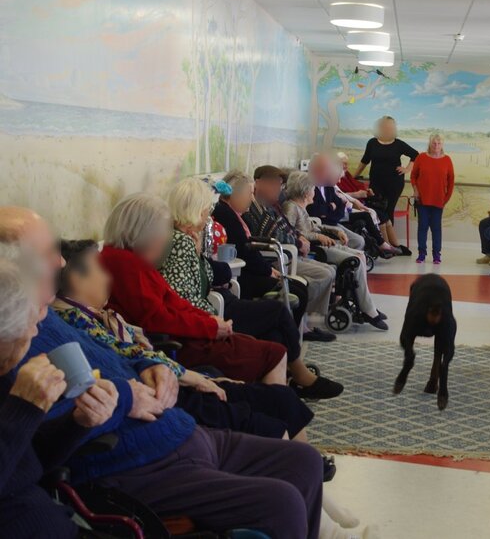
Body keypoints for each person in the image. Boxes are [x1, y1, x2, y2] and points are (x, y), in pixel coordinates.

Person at [1, 205, 324, 539]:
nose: (61, 262)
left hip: (177, 430)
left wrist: (150, 364)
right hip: (134, 462)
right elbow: (45, 435)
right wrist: (126, 398)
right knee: (282, 503)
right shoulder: (17, 335)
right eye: (47, 252)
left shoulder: (50, 314)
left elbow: (114, 351)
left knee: (305, 461)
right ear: (11, 267)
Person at [53, 239, 318, 439]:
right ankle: (304, 476)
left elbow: (173, 308)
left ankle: (312, 480)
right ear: (76, 277)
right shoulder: (77, 322)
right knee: (272, 408)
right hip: (166, 394)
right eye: (99, 269)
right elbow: (136, 353)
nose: (108, 276)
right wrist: (199, 376)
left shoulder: (97, 315)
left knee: (278, 390)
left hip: (173, 375)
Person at [162, 178, 343, 398]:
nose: (209, 215)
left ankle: (281, 388)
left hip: (216, 302)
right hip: (211, 313)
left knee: (275, 332)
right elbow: (185, 296)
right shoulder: (182, 242)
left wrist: (202, 254)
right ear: (195, 210)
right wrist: (213, 319)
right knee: (276, 310)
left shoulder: (187, 238)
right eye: (206, 210)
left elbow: (210, 275)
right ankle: (299, 375)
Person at [100, 194, 290, 386]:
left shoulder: (130, 260)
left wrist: (209, 321)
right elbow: (157, 318)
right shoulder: (126, 264)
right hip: (176, 345)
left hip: (185, 334)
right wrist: (210, 326)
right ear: (145, 235)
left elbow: (173, 300)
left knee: (271, 339)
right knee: (275, 352)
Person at [0, 243, 119, 538]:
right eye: (30, 321)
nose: (35, 332)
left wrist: (77, 422)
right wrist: (24, 409)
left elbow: (27, 462)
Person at [283, 172, 388, 331]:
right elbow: (290, 233)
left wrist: (334, 231)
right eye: (313, 189)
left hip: (322, 242)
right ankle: (368, 308)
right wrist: (317, 235)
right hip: (315, 247)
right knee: (355, 260)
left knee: (360, 255)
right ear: (305, 192)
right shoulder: (291, 207)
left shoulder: (300, 207)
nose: (315, 192)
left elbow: (314, 226)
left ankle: (366, 304)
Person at [247, 165, 337, 340]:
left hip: (288, 252)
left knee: (330, 271)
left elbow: (285, 229)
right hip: (276, 258)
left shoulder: (269, 207)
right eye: (275, 184)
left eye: (280, 184)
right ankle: (303, 324)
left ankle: (306, 321)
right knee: (323, 275)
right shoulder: (256, 209)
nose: (279, 189)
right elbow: (272, 235)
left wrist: (298, 239)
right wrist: (298, 241)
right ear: (258, 183)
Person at [212, 170, 283, 300]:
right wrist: (268, 271)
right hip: (237, 276)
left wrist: (268, 269)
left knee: (292, 287)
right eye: (250, 193)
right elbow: (245, 251)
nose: (252, 198)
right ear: (235, 195)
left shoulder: (231, 213)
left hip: (243, 270)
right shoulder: (226, 215)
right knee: (290, 290)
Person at [354, 115, 419, 255]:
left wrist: (407, 169)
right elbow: (364, 160)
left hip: (394, 183)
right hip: (376, 183)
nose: (387, 129)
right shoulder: (372, 143)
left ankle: (388, 246)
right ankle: (382, 242)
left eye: (390, 127)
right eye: (384, 126)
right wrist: (353, 176)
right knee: (376, 211)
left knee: (388, 211)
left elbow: (415, 155)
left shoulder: (398, 144)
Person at [410, 133, 455, 264]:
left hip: (438, 200)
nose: (436, 146)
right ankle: (421, 254)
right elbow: (413, 176)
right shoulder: (421, 157)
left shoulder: (447, 159)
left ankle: (436, 255)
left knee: (436, 228)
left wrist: (445, 199)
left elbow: (451, 181)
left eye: (439, 143)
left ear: (442, 145)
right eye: (434, 143)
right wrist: (415, 190)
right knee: (422, 227)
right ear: (430, 143)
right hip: (422, 199)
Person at [307, 153, 366, 251]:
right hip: (320, 226)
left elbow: (340, 209)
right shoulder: (309, 186)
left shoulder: (328, 186)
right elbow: (315, 211)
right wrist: (331, 208)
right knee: (350, 242)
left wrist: (329, 212)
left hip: (333, 223)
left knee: (359, 241)